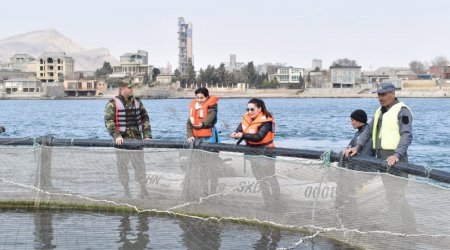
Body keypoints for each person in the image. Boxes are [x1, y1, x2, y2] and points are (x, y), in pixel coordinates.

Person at [344, 82, 416, 233]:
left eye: (383, 95)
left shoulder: (402, 111)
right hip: (381, 157)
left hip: (396, 158)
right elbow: (368, 131)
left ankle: (406, 228)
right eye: (378, 95)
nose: (380, 98)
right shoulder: (379, 111)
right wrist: (356, 147)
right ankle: (400, 226)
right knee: (391, 194)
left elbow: (407, 135)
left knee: (397, 195)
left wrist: (397, 154)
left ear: (393, 94)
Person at [104, 79, 151, 198]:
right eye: (129, 87)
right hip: (122, 142)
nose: (132, 89)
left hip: (136, 139)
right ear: (122, 88)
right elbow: (109, 121)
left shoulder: (137, 102)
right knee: (122, 167)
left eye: (132, 87)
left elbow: (145, 118)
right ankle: (126, 191)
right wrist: (116, 135)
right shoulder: (112, 103)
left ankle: (143, 190)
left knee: (140, 166)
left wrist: (147, 135)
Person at [230, 98, 280, 209]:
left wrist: (242, 136)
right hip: (252, 153)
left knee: (271, 179)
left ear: (259, 109)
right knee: (260, 179)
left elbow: (258, 137)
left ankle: (277, 203)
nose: (249, 112)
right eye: (247, 109)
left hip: (266, 153)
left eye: (252, 109)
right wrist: (235, 134)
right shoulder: (246, 119)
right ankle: (268, 203)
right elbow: (239, 131)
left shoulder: (266, 121)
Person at [182, 87, 220, 201]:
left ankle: (210, 193)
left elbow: (210, 117)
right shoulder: (194, 106)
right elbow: (189, 123)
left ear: (207, 97)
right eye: (197, 98)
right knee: (197, 164)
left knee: (210, 165)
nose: (199, 100)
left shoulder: (213, 106)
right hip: (196, 138)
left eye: (202, 98)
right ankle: (200, 191)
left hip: (209, 137)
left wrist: (203, 124)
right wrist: (190, 135)